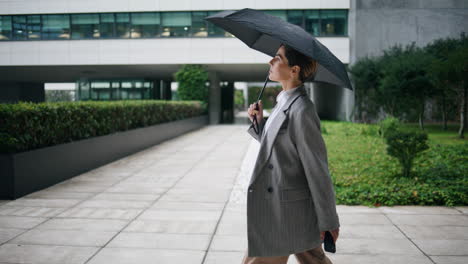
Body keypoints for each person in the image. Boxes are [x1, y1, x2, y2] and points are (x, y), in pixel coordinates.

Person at [243, 44, 340, 264]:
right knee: (312, 258)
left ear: (294, 70)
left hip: (286, 207)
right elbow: (279, 148)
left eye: (277, 58)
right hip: (282, 203)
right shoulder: (283, 101)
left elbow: (316, 167)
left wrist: (328, 220)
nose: (270, 62)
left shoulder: (302, 108)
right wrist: (259, 124)